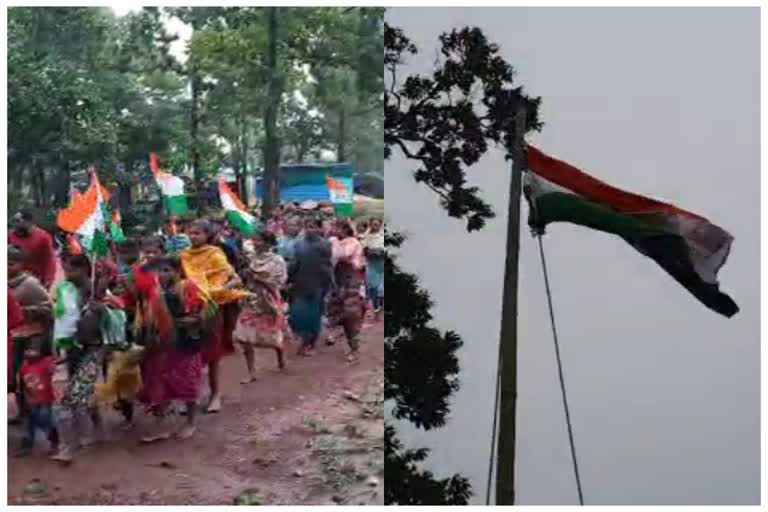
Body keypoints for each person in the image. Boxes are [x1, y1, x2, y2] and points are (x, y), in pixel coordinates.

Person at [139, 255, 215, 442]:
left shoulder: (188, 287)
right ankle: (160, 424)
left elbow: (206, 311)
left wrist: (192, 321)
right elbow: (149, 317)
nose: (162, 274)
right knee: (160, 381)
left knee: (187, 380)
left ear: (177, 272)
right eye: (159, 270)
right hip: (163, 344)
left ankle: (190, 422)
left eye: (167, 270)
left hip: (186, 342)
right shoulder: (156, 292)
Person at [50, 254, 118, 464]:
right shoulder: (68, 291)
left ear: (83, 269)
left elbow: (113, 316)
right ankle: (98, 430)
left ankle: (68, 448)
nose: (66, 274)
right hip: (74, 349)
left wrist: (101, 308)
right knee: (84, 392)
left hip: (93, 350)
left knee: (70, 398)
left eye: (70, 270)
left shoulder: (96, 292)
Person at [180, 219, 246, 413]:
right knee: (191, 354)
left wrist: (216, 290)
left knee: (213, 354)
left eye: (197, 233)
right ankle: (193, 396)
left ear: (207, 235)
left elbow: (235, 279)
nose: (193, 236)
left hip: (212, 309)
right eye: (190, 233)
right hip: (189, 309)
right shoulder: (182, 256)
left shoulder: (216, 254)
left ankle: (215, 395)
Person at [234, 231, 288, 382]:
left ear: (268, 242)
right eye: (254, 240)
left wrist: (257, 279)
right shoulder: (250, 259)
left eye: (258, 240)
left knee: (272, 336)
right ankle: (251, 372)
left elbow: (278, 283)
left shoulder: (277, 261)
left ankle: (280, 355)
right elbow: (243, 279)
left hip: (268, 302)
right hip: (250, 300)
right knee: (244, 337)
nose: (255, 243)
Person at [9, 246, 54, 424]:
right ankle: (23, 413)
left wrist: (21, 311)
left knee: (30, 379)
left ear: (21, 264)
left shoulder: (30, 284)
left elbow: (48, 309)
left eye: (10, 264)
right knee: (14, 379)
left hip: (31, 338)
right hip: (12, 338)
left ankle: (42, 419)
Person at [288, 217, 334, 357]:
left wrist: (330, 283)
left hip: (318, 285)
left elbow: (327, 266)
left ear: (319, 228)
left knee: (313, 316)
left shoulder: (325, 245)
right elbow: (294, 264)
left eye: (313, 226)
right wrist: (288, 278)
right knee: (297, 315)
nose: (310, 229)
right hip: (300, 284)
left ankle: (309, 344)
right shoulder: (298, 244)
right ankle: (304, 341)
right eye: (307, 226)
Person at [327, 221, 367, 363]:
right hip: (337, 281)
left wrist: (333, 242)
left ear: (344, 229)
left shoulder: (352, 242)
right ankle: (333, 333)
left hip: (351, 282)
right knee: (333, 310)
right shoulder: (336, 241)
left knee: (351, 316)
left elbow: (344, 255)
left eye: (335, 227)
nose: (332, 230)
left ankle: (354, 350)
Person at [17, 340, 58, 457]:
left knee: (45, 419)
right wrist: (24, 398)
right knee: (28, 422)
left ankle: (54, 441)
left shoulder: (46, 362)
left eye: (33, 350)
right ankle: (27, 445)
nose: (30, 353)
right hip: (31, 399)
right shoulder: (24, 365)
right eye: (28, 350)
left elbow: (55, 366)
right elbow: (22, 383)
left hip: (46, 399)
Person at [9, 210, 57, 289]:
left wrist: (48, 280)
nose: (15, 225)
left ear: (29, 222)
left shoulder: (43, 237)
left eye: (18, 221)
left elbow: (50, 260)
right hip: (14, 280)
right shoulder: (11, 236)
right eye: (14, 221)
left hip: (36, 281)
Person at [363, 218, 385, 320]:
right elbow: (365, 251)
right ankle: (376, 309)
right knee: (372, 288)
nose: (375, 226)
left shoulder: (382, 237)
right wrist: (371, 252)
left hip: (381, 264)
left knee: (381, 290)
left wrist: (378, 252)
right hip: (371, 265)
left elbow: (383, 251)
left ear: (380, 225)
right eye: (373, 224)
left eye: (377, 224)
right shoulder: (366, 236)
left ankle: (379, 309)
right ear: (370, 225)